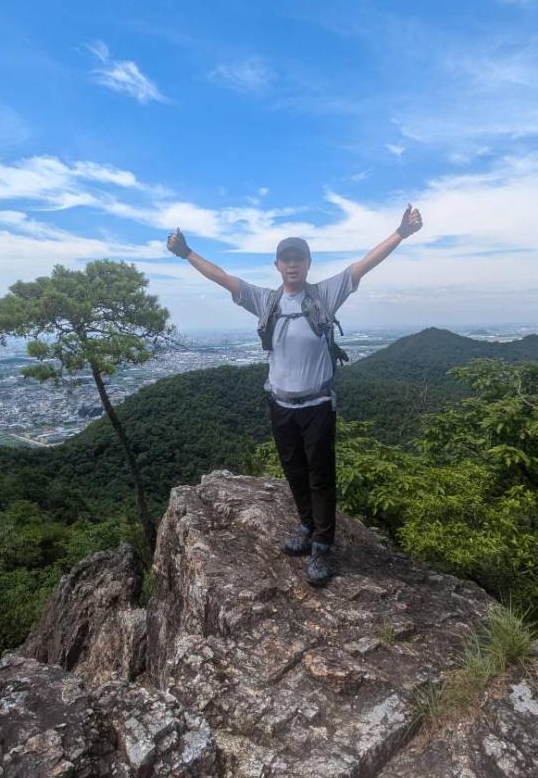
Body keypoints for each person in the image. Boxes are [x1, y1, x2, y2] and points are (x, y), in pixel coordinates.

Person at [166, 204, 423, 587]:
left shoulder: (324, 295)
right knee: (294, 472)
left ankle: (322, 546)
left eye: (298, 259)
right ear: (277, 266)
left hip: (318, 405)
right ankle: (306, 526)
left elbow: (364, 264)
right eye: (286, 260)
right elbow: (223, 277)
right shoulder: (265, 301)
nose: (292, 266)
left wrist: (400, 232)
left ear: (307, 263)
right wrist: (187, 254)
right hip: (280, 405)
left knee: (320, 476)